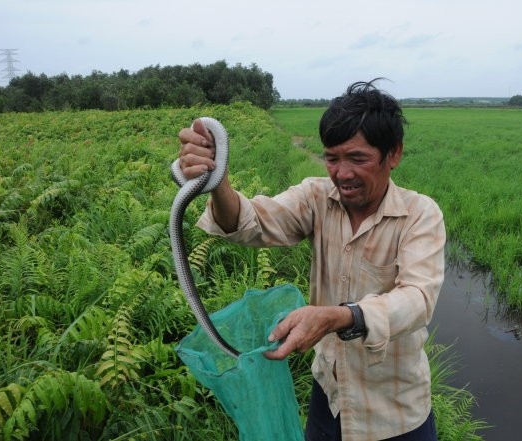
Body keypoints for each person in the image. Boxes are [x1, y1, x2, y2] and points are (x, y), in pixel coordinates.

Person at [177, 79, 446, 441]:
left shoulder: (420, 215)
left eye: (358, 158)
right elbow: (250, 223)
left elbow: (417, 299)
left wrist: (338, 317)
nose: (342, 173)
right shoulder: (316, 197)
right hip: (329, 401)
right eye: (332, 158)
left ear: (393, 154)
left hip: (395, 413)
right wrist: (217, 181)